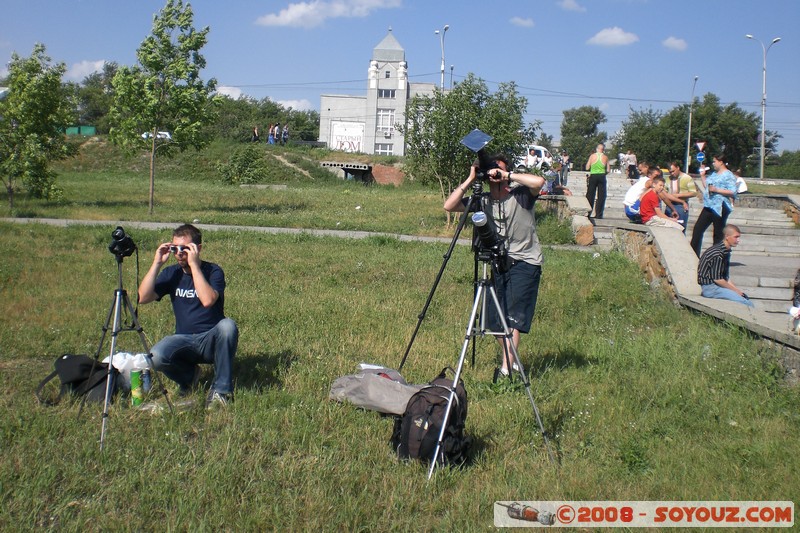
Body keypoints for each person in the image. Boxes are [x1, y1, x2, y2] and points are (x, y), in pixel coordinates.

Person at [444, 155, 545, 380]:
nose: (494, 173)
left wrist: (507, 175)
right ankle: (513, 360)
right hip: (499, 262)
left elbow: (539, 182)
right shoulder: (483, 200)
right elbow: (449, 206)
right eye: (492, 170)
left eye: (499, 169)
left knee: (511, 319)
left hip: (526, 262)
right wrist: (471, 178)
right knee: (493, 320)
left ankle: (505, 372)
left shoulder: (521, 195)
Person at [138, 224, 239, 408]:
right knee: (155, 356)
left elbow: (208, 300)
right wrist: (157, 263)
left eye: (184, 249)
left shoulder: (213, 271)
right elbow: (143, 298)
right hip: (183, 339)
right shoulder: (171, 273)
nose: (178, 253)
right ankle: (189, 378)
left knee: (228, 326)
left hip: (211, 339)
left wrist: (194, 266)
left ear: (197, 249)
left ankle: (221, 391)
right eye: (174, 248)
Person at [690, 154, 737, 256]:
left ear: (721, 162)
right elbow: (707, 186)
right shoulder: (714, 174)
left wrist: (717, 190)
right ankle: (693, 254)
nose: (713, 164)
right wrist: (702, 175)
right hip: (709, 205)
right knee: (698, 229)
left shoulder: (728, 175)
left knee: (718, 233)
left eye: (714, 161)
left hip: (720, 206)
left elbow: (733, 191)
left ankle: (718, 255)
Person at [697, 224, 754, 307]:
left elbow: (725, 277)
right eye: (736, 237)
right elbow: (718, 279)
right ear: (727, 236)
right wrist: (735, 291)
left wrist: (737, 291)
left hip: (717, 286)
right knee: (747, 304)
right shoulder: (717, 253)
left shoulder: (726, 251)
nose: (738, 240)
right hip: (710, 288)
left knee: (745, 299)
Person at [666, 161, 697, 229]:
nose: (672, 173)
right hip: (669, 204)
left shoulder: (687, 178)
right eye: (670, 172)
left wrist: (678, 195)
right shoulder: (668, 179)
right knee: (668, 228)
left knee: (681, 228)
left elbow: (693, 192)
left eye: (673, 171)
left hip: (681, 206)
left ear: (678, 168)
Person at [585, 143, 610, 219]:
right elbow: (608, 170)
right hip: (602, 176)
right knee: (601, 196)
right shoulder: (605, 157)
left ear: (597, 149)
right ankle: (599, 214)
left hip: (593, 175)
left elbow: (587, 167)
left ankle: (588, 213)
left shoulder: (592, 156)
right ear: (603, 150)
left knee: (590, 195)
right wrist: (603, 172)